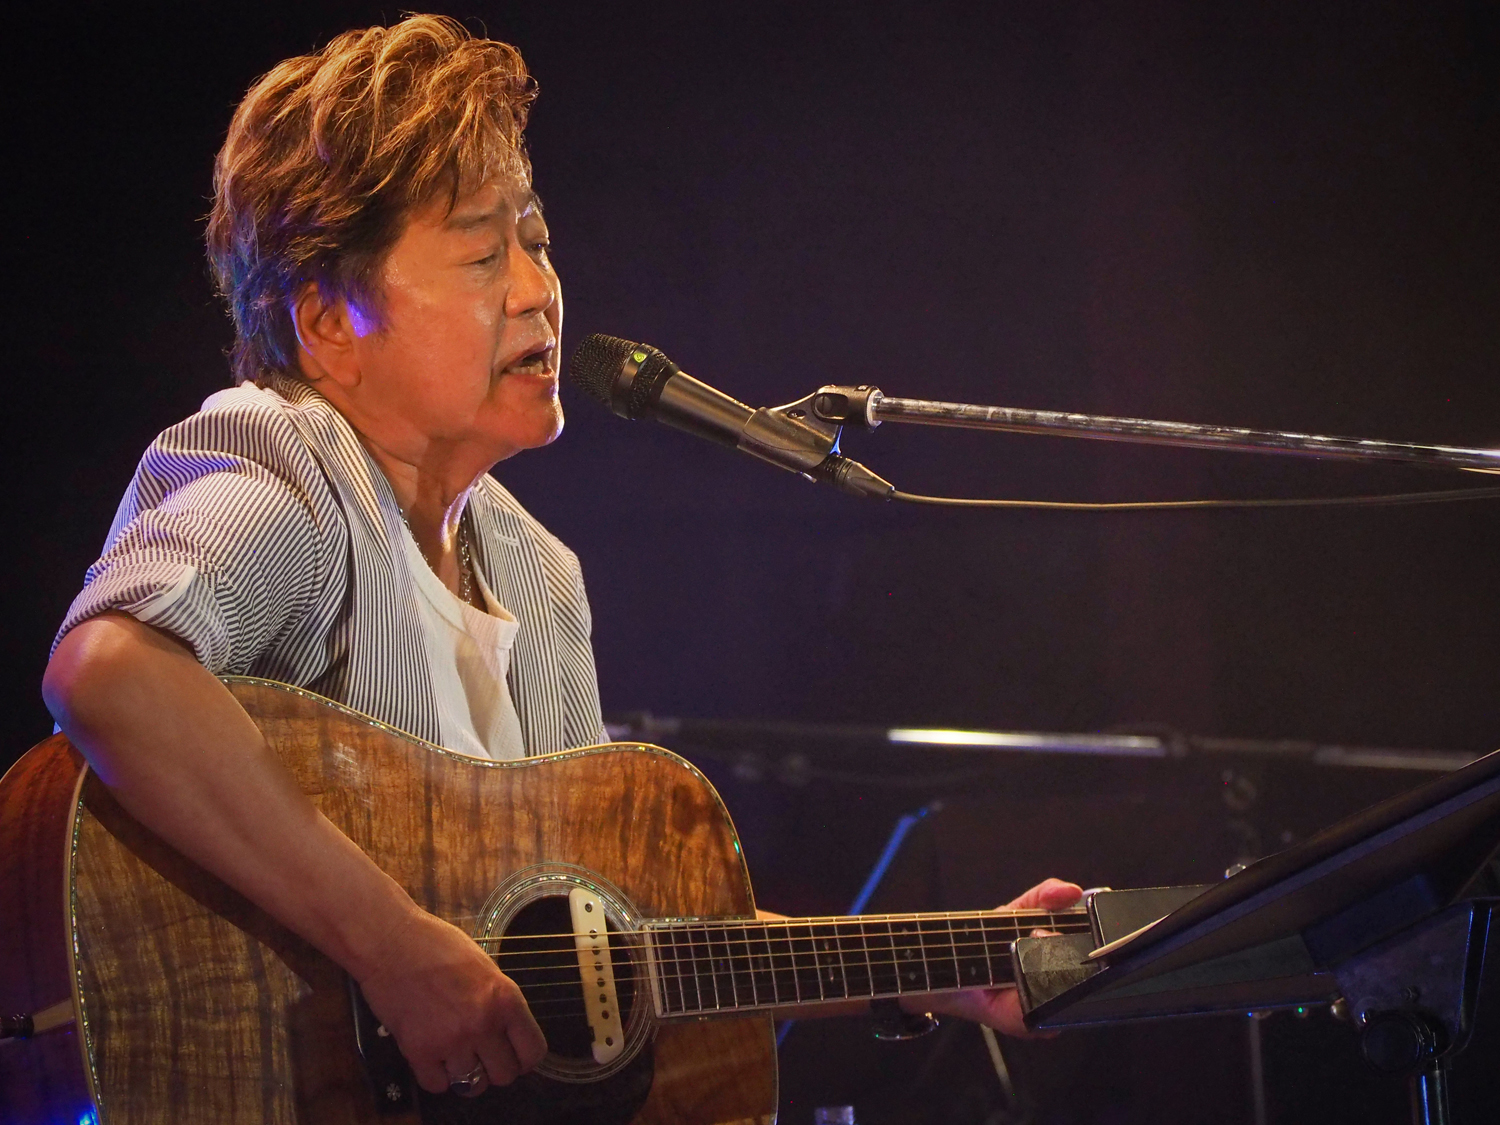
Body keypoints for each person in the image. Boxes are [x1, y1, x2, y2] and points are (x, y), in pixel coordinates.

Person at [41, 13, 1082, 1103]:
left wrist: (943, 967)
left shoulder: (538, 573)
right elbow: (110, 674)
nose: (539, 289)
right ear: (328, 323)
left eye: (535, 241)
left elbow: (610, 948)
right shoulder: (292, 467)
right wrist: (395, 947)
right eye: (481, 254)